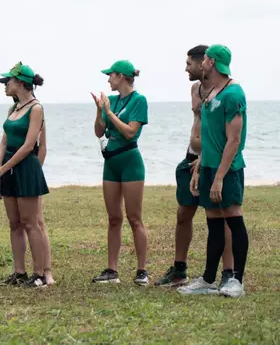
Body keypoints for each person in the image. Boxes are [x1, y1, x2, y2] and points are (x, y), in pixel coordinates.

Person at [155, 45, 234, 287]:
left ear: (204, 63)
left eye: (189, 63)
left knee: (223, 216)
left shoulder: (224, 91)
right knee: (183, 213)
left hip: (212, 161)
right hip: (190, 158)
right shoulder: (195, 88)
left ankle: (228, 272)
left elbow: (228, 133)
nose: (185, 68)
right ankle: (180, 269)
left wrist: (208, 158)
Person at [179, 44, 248, 298]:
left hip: (227, 170)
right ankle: (209, 279)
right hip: (207, 166)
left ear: (213, 63)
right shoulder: (208, 94)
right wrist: (200, 166)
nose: (203, 62)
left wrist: (219, 177)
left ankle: (236, 280)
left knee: (234, 219)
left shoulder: (233, 93)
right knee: (214, 224)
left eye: (206, 59)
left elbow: (234, 140)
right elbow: (210, 137)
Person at [0, 62, 50, 288]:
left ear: (21, 83)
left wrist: (3, 169)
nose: (5, 85)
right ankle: (19, 271)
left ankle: (40, 274)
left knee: (30, 223)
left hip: (26, 167)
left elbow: (28, 146)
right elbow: (4, 141)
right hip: (9, 168)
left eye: (8, 81)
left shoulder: (36, 108)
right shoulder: (12, 109)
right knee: (14, 223)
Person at [90, 60, 149, 285]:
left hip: (131, 162)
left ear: (122, 77)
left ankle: (142, 270)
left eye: (111, 75)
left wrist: (109, 113)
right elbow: (99, 131)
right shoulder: (111, 101)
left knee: (135, 218)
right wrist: (99, 112)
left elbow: (130, 133)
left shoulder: (139, 100)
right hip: (111, 163)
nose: (108, 79)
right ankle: (111, 270)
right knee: (114, 218)